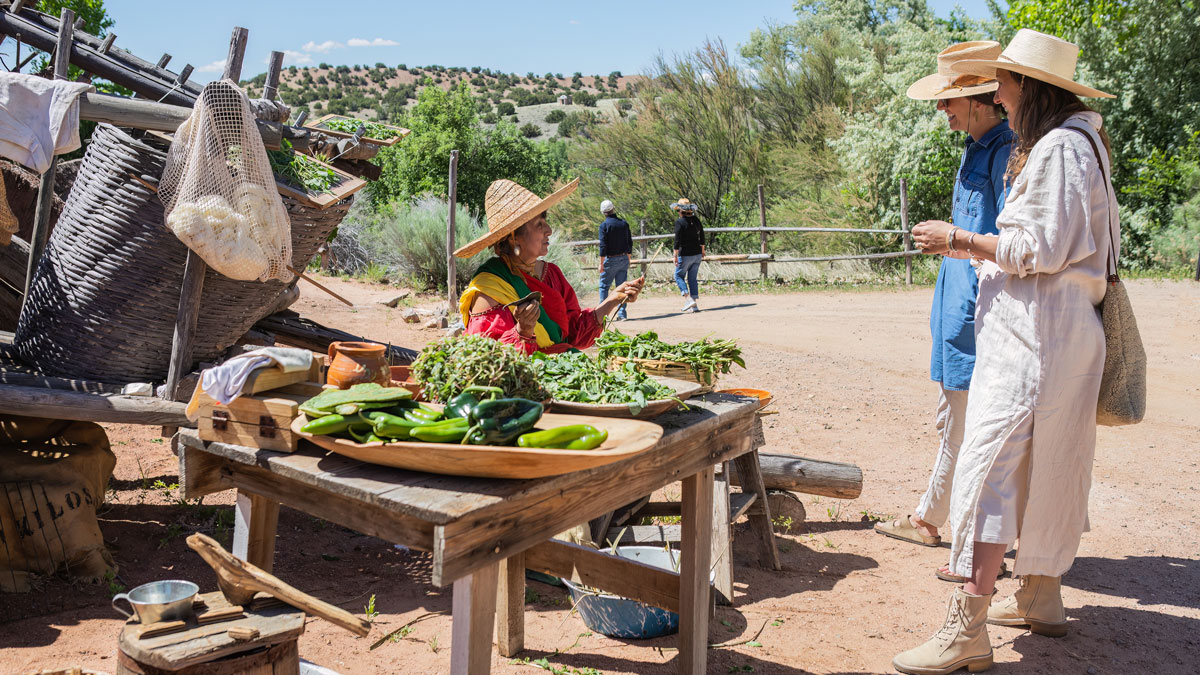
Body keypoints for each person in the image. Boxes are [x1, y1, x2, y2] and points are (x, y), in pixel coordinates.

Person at [893, 29, 1118, 675]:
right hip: (1059, 335)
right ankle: (1041, 596)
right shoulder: (1081, 144)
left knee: (990, 471)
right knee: (1049, 467)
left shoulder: (1057, 149)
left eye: (1006, 83)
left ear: (1029, 87)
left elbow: (1034, 249)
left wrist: (958, 239)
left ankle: (966, 626)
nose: (998, 95)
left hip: (1034, 340)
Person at [873, 41, 1016, 586]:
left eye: (949, 100)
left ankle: (943, 526)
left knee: (966, 422)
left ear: (981, 100)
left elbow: (1006, 243)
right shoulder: (977, 148)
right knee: (954, 417)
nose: (942, 109)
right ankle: (936, 519)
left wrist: (952, 238)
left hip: (975, 310)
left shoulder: (1005, 153)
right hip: (956, 305)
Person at [455, 179, 644, 355]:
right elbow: (487, 357)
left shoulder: (552, 274)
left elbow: (573, 335)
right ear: (514, 237)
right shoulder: (489, 288)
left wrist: (613, 299)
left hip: (563, 371)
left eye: (545, 221)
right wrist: (522, 331)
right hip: (528, 379)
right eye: (539, 224)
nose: (549, 230)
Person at [597, 199, 633, 321]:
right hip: (623, 258)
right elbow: (629, 242)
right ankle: (622, 314)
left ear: (603, 212)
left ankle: (603, 315)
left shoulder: (604, 226)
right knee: (622, 287)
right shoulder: (624, 224)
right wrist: (628, 258)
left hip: (611, 260)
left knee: (604, 287)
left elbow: (603, 246)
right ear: (613, 209)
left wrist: (601, 264)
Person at [671, 198, 705, 312]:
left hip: (685, 254)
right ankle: (694, 305)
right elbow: (702, 236)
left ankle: (688, 299)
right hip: (697, 253)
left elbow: (677, 240)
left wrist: (675, 255)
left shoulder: (679, 222)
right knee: (692, 278)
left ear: (681, 211)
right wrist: (703, 250)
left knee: (678, 276)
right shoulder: (696, 220)